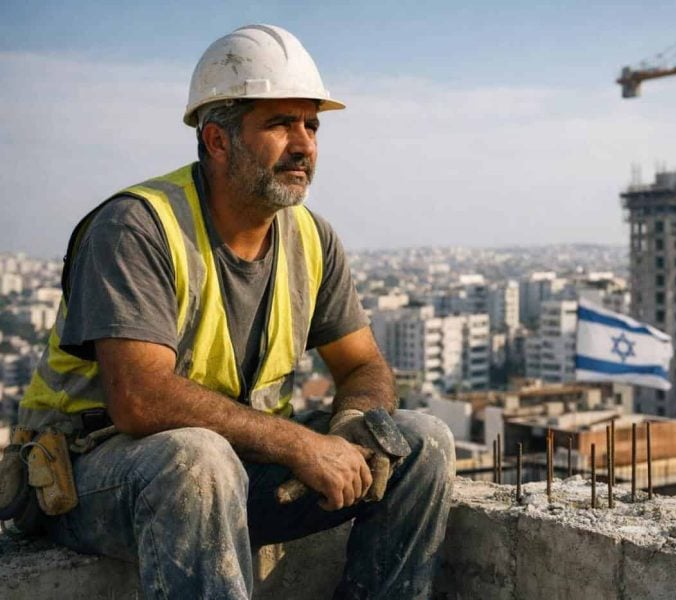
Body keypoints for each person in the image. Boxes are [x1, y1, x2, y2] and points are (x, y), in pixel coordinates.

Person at [15, 24, 454, 599]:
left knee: (421, 440)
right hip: (90, 482)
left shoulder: (310, 239)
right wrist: (301, 445)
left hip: (241, 471)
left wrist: (353, 422)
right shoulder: (138, 227)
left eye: (311, 124)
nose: (304, 145)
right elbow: (140, 399)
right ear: (218, 140)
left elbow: (363, 367)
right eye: (279, 124)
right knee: (196, 459)